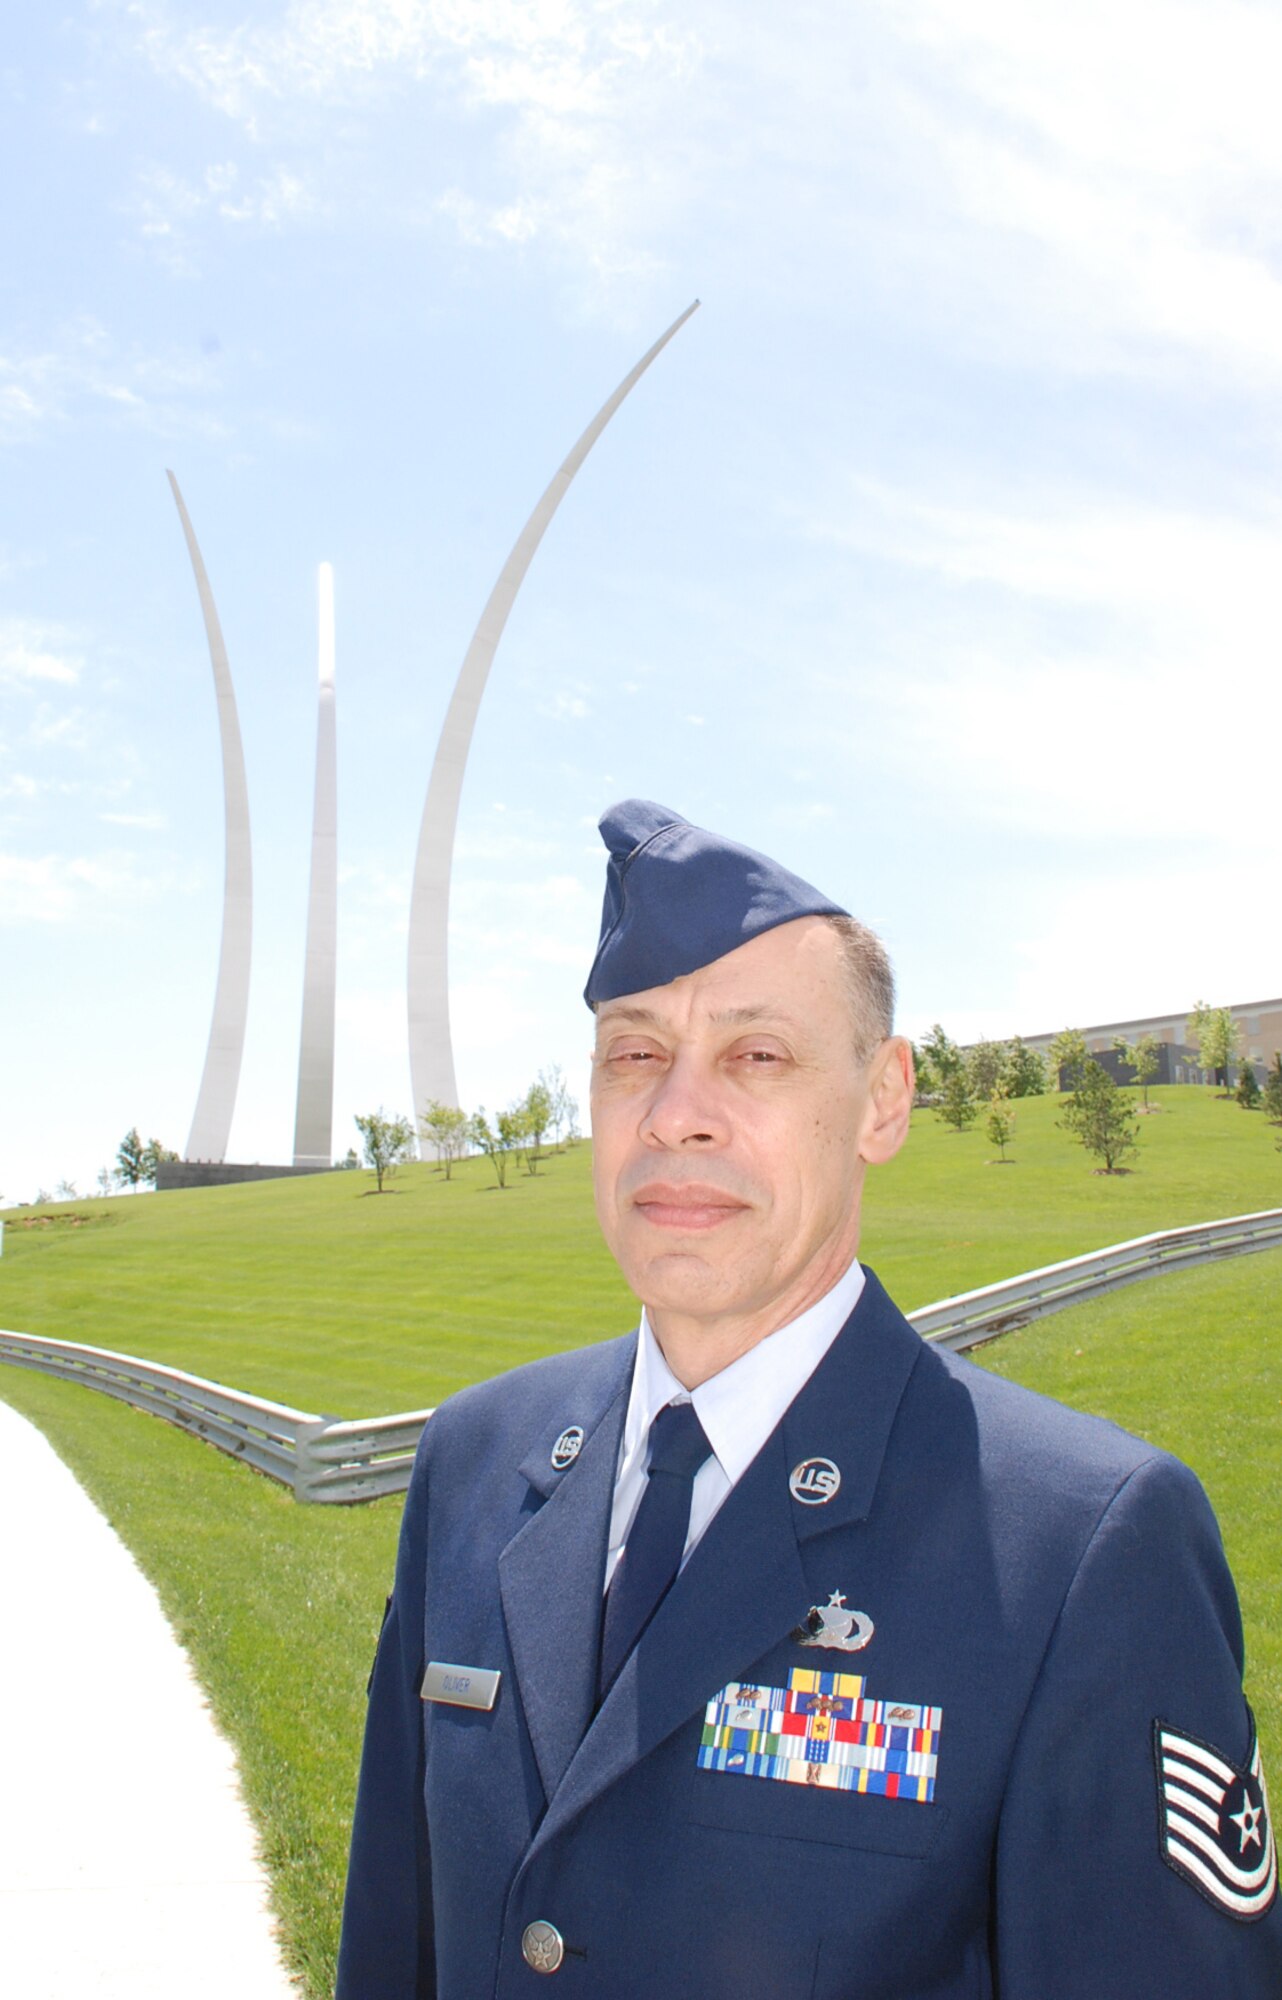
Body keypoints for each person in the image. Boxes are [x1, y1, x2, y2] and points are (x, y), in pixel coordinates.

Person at [337, 799, 1278, 1999]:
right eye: (635, 1053)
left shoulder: (1081, 1546)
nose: (675, 1110)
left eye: (756, 1054)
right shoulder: (472, 1463)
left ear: (883, 1099)